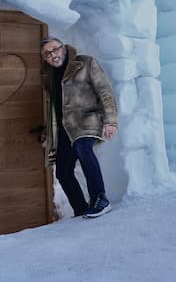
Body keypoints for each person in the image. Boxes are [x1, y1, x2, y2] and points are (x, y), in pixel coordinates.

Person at [40, 37, 118, 218]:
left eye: (55, 49)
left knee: (82, 147)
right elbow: (55, 107)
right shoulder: (48, 76)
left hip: (88, 120)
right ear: (44, 58)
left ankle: (100, 199)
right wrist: (48, 132)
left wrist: (111, 120)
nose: (53, 55)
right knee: (62, 172)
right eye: (47, 53)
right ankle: (80, 208)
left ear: (64, 49)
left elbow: (104, 91)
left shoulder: (85, 63)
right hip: (65, 129)